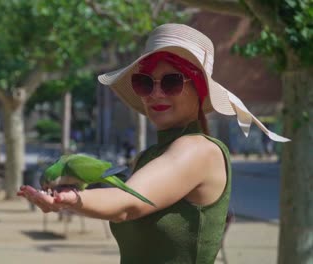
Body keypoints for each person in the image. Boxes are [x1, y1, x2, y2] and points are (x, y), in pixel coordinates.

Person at [17, 24, 289, 263]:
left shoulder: (199, 150)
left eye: (171, 82)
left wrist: (71, 199)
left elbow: (127, 202)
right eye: (145, 82)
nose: (156, 93)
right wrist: (74, 192)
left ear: (199, 89)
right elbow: (118, 200)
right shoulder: (149, 156)